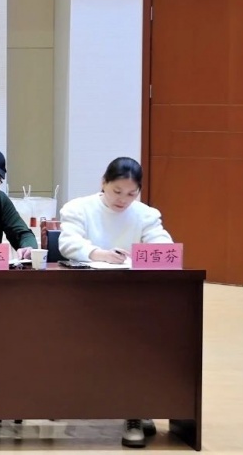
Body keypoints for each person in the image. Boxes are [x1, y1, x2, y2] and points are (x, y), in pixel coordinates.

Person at [59, 157, 168, 448]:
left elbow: (163, 247)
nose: (123, 200)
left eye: (132, 193)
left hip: (133, 299)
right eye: (117, 191)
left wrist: (145, 255)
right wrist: (99, 254)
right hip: (84, 299)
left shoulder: (146, 215)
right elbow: (68, 243)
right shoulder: (78, 208)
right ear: (103, 183)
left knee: (140, 346)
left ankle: (136, 411)